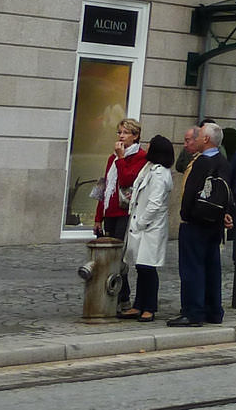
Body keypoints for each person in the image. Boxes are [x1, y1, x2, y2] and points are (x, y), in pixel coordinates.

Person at [171, 123, 234, 326]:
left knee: (192, 268)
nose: (196, 137)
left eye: (199, 135)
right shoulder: (223, 162)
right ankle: (214, 310)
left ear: (206, 139)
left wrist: (185, 214)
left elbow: (189, 193)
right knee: (211, 266)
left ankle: (193, 312)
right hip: (215, 223)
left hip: (195, 223)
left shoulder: (201, 163)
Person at [95, 119, 147, 313]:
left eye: (126, 133)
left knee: (119, 257)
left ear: (135, 136)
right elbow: (105, 187)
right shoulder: (113, 158)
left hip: (126, 212)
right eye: (119, 132)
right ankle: (111, 294)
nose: (121, 136)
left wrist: (121, 158)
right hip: (111, 211)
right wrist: (98, 216)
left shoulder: (140, 157)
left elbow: (127, 179)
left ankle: (122, 297)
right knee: (108, 255)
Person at [120, 134, 173, 323]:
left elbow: (155, 203)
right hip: (142, 224)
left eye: (150, 146)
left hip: (150, 227)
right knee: (141, 267)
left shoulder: (160, 173)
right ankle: (138, 304)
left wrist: (141, 222)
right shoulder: (149, 168)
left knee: (148, 268)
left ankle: (149, 307)